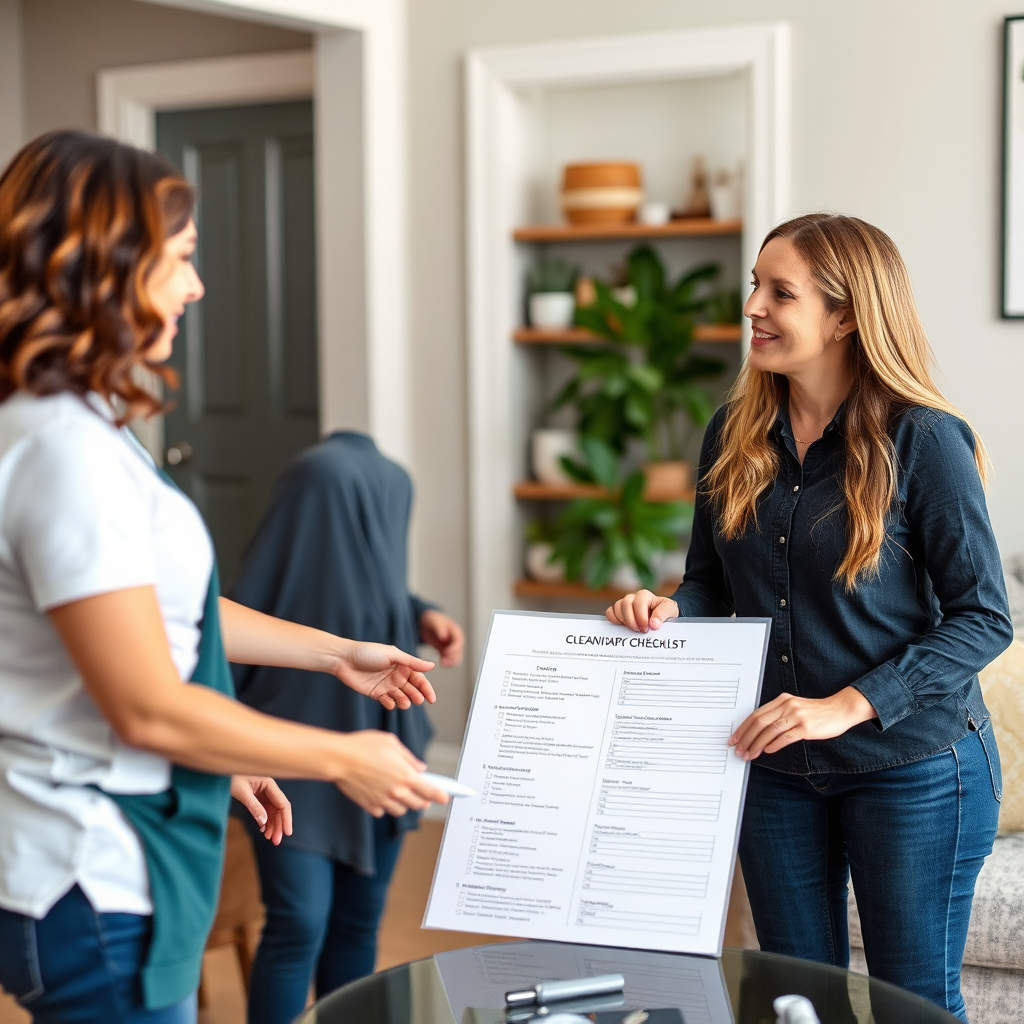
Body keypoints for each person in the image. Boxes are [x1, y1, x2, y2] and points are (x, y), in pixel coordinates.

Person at [0, 130, 448, 1024]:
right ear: (107, 266)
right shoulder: (64, 453)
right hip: (89, 871)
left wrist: (336, 654)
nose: (197, 285)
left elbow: (166, 613)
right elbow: (147, 707)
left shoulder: (76, 427)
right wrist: (339, 756)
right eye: (181, 257)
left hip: (104, 849)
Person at [606, 213, 1011, 1022]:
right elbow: (709, 581)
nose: (752, 306)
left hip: (913, 766)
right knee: (798, 1004)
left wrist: (845, 706)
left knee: (911, 1006)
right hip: (777, 768)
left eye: (779, 292)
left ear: (846, 315)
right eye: (755, 285)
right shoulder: (733, 433)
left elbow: (983, 618)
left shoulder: (925, 440)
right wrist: (667, 611)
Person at [228, 434, 464, 1024]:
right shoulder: (279, 578)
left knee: (358, 919)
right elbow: (215, 622)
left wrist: (418, 612)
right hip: (292, 754)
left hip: (376, 745)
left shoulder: (332, 487)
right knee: (299, 921)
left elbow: (376, 581)